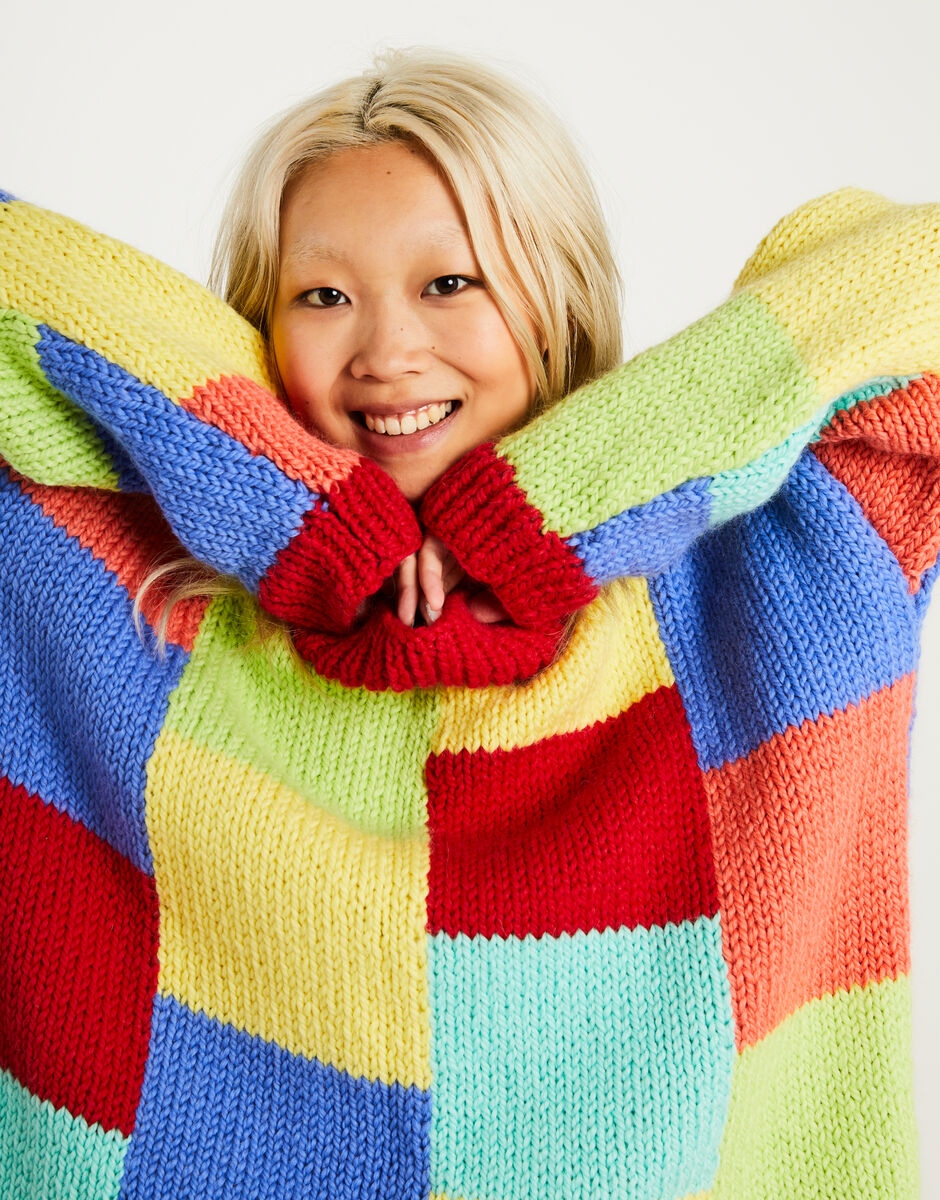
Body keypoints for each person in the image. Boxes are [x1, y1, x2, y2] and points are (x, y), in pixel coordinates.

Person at [1, 46, 938, 1200]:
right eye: (322, 295)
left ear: (555, 301)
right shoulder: (128, 604)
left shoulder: (779, 573)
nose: (386, 352)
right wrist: (295, 512)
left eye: (451, 283)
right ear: (256, 327)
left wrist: (551, 512)